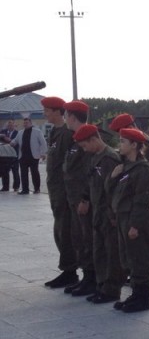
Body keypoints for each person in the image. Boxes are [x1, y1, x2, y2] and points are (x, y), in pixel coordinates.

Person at [110, 128, 149, 313]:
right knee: (129, 259)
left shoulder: (144, 169)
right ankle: (135, 295)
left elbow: (142, 200)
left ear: (134, 145)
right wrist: (113, 177)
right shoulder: (125, 167)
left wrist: (135, 225)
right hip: (123, 218)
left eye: (123, 141)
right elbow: (112, 192)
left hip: (135, 220)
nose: (120, 145)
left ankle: (143, 298)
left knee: (139, 259)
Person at [74, 124, 124, 304]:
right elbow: (91, 183)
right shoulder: (95, 157)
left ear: (94, 139)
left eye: (85, 145)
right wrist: (85, 199)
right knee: (99, 250)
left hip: (108, 212)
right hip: (97, 210)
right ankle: (101, 285)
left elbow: (114, 189)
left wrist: (112, 214)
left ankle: (111, 289)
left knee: (111, 252)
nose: (84, 149)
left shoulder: (109, 158)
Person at [41, 97, 77, 287]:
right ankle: (68, 269)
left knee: (65, 231)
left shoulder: (66, 134)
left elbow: (69, 167)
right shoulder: (55, 133)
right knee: (60, 231)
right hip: (55, 191)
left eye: (47, 110)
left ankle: (70, 271)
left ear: (57, 112)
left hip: (64, 192)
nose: (45, 114)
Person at [62, 101, 97, 297]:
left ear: (73, 117)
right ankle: (86, 276)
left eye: (66, 116)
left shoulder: (86, 139)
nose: (65, 119)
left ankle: (92, 278)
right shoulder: (75, 139)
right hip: (74, 198)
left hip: (84, 200)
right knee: (78, 238)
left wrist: (85, 198)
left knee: (87, 238)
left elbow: (88, 173)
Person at [18, 116, 45, 195]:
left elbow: (43, 143)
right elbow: (15, 141)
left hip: (33, 156)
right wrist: (11, 142)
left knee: (34, 172)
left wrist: (43, 153)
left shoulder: (37, 131)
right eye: (24, 123)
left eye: (27, 123)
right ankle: (25, 189)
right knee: (23, 173)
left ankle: (37, 189)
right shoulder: (20, 132)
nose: (25, 124)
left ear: (30, 123)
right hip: (23, 156)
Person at [0, 119, 19, 192]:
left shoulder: (17, 133)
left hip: (14, 155)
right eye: (8, 125)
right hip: (4, 155)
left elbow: (17, 142)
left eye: (11, 125)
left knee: (15, 171)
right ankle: (5, 187)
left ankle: (16, 186)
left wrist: (9, 140)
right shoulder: (3, 131)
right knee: (4, 171)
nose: (10, 126)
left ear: (14, 125)